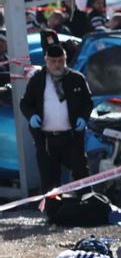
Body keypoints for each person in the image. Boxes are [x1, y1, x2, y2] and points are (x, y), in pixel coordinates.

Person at [19, 43, 94, 194]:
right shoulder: (38, 80)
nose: (57, 64)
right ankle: (53, 213)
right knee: (49, 179)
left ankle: (87, 208)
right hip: (47, 139)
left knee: (81, 173)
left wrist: (83, 118)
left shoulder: (76, 78)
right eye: (53, 61)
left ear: (65, 59)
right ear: (46, 60)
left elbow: (88, 102)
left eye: (60, 60)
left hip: (71, 137)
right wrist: (32, 116)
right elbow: (25, 103)